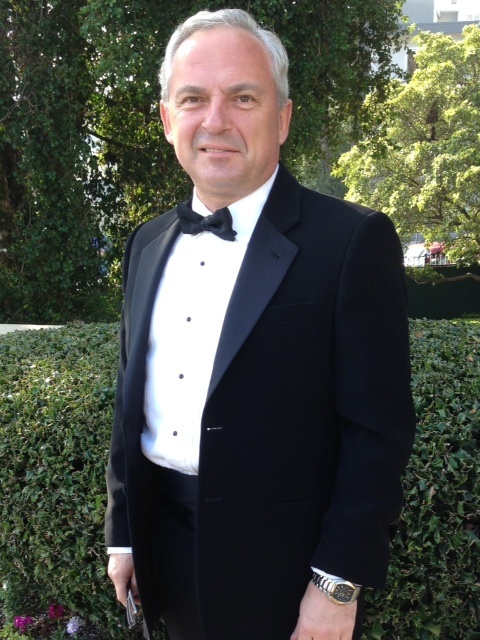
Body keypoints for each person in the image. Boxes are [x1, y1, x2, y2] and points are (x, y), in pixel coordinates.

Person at [105, 8, 416, 640]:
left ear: (283, 118)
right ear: (167, 119)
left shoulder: (352, 242)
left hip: (288, 575)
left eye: (243, 98)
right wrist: (124, 534)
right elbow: (130, 398)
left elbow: (377, 435)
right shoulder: (146, 243)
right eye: (193, 98)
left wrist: (337, 584)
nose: (215, 120)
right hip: (163, 555)